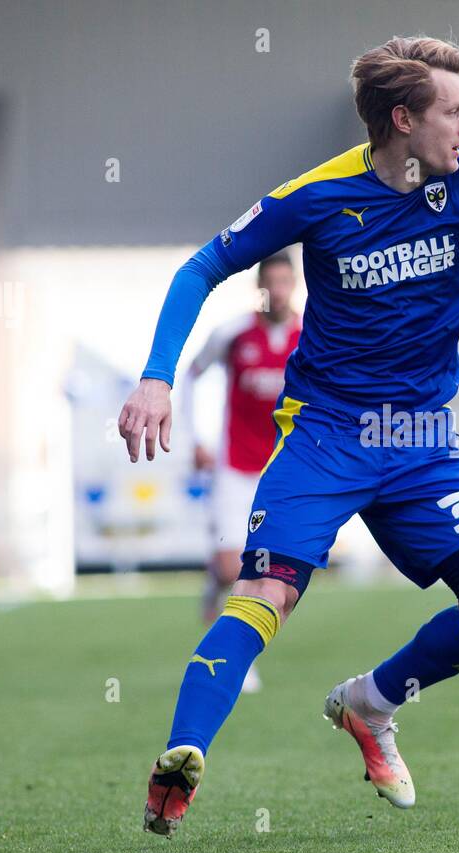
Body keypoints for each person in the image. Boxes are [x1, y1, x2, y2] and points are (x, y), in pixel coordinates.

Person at [119, 35, 459, 837]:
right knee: (264, 595)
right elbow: (199, 269)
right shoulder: (316, 196)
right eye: (454, 111)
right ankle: (181, 760)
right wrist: (155, 376)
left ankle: (371, 703)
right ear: (403, 119)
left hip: (424, 440)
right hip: (326, 436)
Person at [180, 252, 302, 693]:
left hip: (283, 471)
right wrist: (196, 438)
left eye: (286, 282)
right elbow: (192, 375)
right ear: (259, 289)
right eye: (270, 283)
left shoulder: (310, 335)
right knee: (233, 566)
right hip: (234, 466)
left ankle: (234, 642)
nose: (279, 291)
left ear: (295, 286)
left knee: (269, 572)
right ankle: (232, 650)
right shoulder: (233, 334)